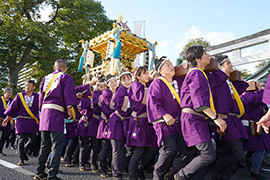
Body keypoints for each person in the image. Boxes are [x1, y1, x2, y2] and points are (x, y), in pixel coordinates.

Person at [175, 46, 227, 180]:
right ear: (197, 59)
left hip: (197, 118)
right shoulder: (196, 73)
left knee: (200, 155)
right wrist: (217, 119)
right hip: (193, 118)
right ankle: (180, 176)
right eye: (205, 54)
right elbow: (199, 102)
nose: (208, 55)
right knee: (208, 155)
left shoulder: (200, 73)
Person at [147, 56, 191, 180]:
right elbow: (153, 101)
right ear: (160, 71)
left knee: (185, 151)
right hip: (164, 121)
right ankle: (158, 176)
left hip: (179, 122)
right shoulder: (158, 82)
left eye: (171, 64)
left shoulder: (178, 81)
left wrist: (187, 66)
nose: (171, 66)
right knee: (169, 149)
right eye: (167, 65)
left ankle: (172, 176)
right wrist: (164, 114)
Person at [34, 59, 77, 180]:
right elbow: (68, 94)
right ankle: (52, 174)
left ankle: (40, 172)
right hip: (56, 112)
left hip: (44, 112)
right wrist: (69, 108)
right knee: (57, 145)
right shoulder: (66, 77)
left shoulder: (45, 78)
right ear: (65, 68)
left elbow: (41, 96)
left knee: (44, 145)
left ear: (54, 67)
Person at [209, 55, 248, 180]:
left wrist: (237, 76)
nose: (231, 65)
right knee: (237, 152)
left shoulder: (228, 82)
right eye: (228, 63)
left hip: (234, 120)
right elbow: (216, 100)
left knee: (232, 150)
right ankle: (216, 168)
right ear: (220, 66)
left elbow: (244, 86)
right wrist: (219, 119)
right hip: (225, 119)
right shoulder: (217, 80)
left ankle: (224, 176)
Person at [127, 66, 158, 180]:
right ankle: (132, 174)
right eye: (144, 73)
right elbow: (145, 99)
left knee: (153, 148)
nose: (147, 75)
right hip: (138, 121)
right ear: (137, 76)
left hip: (148, 122)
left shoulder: (148, 85)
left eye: (147, 73)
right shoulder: (135, 85)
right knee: (139, 150)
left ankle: (141, 167)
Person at [3, 81, 39, 166]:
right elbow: (13, 107)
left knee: (33, 139)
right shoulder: (20, 96)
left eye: (29, 86)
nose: (27, 87)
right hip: (21, 120)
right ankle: (21, 159)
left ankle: (24, 152)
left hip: (32, 120)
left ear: (33, 87)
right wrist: (7, 118)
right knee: (21, 139)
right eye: (26, 85)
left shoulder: (37, 96)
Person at [241, 80, 270, 180]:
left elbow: (265, 106)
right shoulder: (248, 95)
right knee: (260, 150)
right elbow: (262, 99)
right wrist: (262, 90)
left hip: (255, 125)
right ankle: (254, 171)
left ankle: (252, 163)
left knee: (265, 147)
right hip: (250, 126)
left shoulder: (251, 95)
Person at [108, 71, 133, 180]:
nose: (127, 81)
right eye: (124, 79)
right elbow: (120, 107)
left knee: (129, 149)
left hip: (127, 122)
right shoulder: (120, 92)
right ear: (120, 82)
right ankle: (117, 174)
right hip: (117, 121)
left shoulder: (133, 90)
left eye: (129, 78)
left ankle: (123, 167)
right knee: (117, 149)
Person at [96, 74, 117, 177]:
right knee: (105, 147)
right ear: (108, 84)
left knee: (115, 148)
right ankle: (102, 169)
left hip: (115, 123)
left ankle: (112, 167)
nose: (114, 83)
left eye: (115, 81)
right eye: (111, 82)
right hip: (105, 122)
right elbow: (112, 105)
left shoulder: (119, 91)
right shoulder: (106, 92)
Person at [0, 87, 13, 156]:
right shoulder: (0, 100)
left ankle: (0, 150)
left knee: (4, 136)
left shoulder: (12, 101)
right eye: (9, 92)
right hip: (0, 119)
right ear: (4, 93)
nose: (10, 94)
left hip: (7, 121)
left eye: (11, 92)